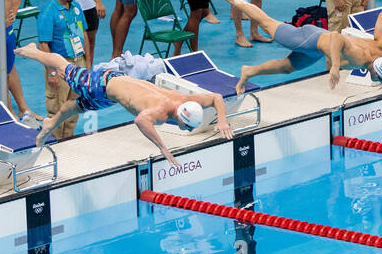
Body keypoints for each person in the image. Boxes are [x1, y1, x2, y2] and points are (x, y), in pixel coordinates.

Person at [15, 44, 227, 164]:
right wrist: (164, 148)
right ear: (181, 117)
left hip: (110, 94)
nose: (186, 129)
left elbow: (216, 97)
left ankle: (49, 124)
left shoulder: (184, 101)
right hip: (102, 85)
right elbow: (141, 121)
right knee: (63, 66)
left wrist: (223, 121)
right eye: (187, 126)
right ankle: (31, 51)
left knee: (77, 106)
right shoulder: (161, 112)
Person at [214, 0, 382, 92]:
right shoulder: (361, 57)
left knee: (286, 67)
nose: (378, 80)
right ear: (377, 69)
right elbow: (336, 37)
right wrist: (335, 66)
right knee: (267, 24)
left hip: (316, 51)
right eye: (380, 78)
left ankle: (248, 72)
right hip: (310, 39)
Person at [36, 0, 89, 141]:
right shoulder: (48, 13)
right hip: (59, 66)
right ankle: (57, 144)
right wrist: (51, 72)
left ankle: (69, 139)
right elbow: (43, 45)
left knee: (75, 106)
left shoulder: (77, 8)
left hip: (78, 63)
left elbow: (84, 34)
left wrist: (87, 63)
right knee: (57, 109)